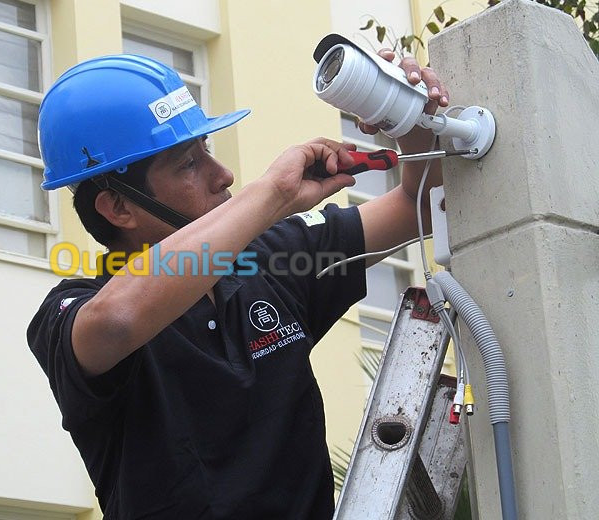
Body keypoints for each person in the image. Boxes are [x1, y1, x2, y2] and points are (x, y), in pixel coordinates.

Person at [27, 45, 449, 519]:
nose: (222, 174)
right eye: (188, 164)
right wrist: (271, 194)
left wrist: (410, 119)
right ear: (119, 207)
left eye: (207, 151)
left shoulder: (272, 260)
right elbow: (117, 322)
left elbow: (421, 201)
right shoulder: (74, 309)